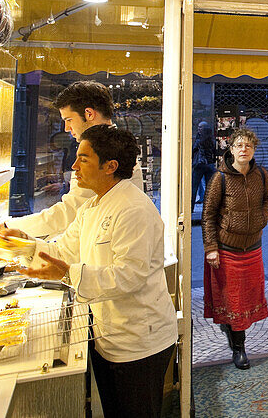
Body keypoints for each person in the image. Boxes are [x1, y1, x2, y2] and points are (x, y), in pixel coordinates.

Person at [11, 125, 177, 418]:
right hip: (106, 336)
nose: (73, 166)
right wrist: (22, 245)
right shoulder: (92, 206)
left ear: (110, 166)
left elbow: (128, 276)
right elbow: (64, 250)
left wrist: (69, 274)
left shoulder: (133, 209)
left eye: (83, 159)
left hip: (140, 343)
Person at [7, 81, 146, 238]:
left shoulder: (108, 151)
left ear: (89, 114)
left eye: (69, 120)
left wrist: (7, 228)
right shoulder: (107, 144)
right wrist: (66, 181)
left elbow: (69, 212)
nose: (66, 128)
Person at [202, 127, 268, 369]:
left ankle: (232, 331)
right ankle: (240, 349)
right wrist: (211, 247)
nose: (244, 150)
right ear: (231, 149)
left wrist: (263, 217)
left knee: (248, 297)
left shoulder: (261, 175)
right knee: (234, 302)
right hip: (227, 250)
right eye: (239, 146)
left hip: (253, 248)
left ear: (254, 150)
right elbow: (208, 214)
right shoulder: (219, 178)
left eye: (249, 146)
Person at [191, 120, 216, 210]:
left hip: (200, 165)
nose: (198, 129)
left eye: (200, 127)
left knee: (194, 186)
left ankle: (191, 208)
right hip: (210, 165)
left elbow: (193, 151)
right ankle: (208, 208)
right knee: (209, 188)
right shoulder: (212, 140)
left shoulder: (199, 140)